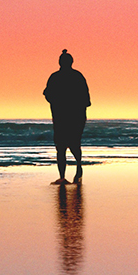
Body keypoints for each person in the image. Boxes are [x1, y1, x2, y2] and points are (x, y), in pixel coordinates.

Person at [43, 49, 90, 181]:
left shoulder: (55, 77)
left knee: (62, 147)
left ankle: (64, 175)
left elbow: (47, 95)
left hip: (62, 117)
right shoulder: (77, 76)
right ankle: (76, 167)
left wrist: (58, 102)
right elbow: (86, 101)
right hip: (74, 117)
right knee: (73, 144)